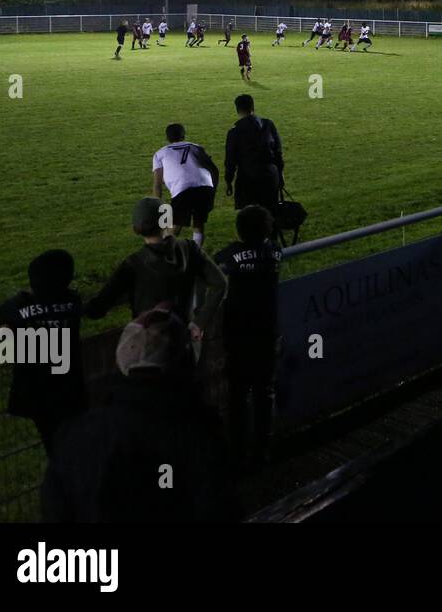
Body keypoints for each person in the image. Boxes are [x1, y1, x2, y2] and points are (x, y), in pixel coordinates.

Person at [40, 307, 240, 522]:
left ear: (122, 360)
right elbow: (220, 508)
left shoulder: (77, 434)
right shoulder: (199, 435)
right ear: (185, 361)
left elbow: (55, 511)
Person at [84, 198, 226, 342]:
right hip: (184, 344)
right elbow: (220, 283)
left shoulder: (133, 264)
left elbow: (98, 308)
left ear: (135, 228)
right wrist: (199, 322)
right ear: (168, 222)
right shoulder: (190, 248)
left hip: (147, 350)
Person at [0, 250, 86, 454]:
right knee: (73, 443)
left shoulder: (20, 307)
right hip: (70, 389)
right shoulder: (73, 302)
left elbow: (5, 310)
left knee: (54, 444)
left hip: (38, 392)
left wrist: (24, 297)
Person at [214, 205, 283, 470]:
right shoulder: (275, 251)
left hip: (239, 334)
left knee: (237, 394)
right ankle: (262, 450)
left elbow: (217, 260)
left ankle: (237, 452)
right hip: (267, 332)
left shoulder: (232, 254)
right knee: (265, 391)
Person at [152, 124, 219, 248]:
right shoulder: (197, 147)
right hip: (205, 187)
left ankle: (165, 256)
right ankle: (197, 256)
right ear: (183, 135)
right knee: (198, 223)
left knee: (174, 225)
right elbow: (214, 170)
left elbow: (157, 185)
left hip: (183, 189)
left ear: (167, 138)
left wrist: (157, 207)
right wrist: (212, 190)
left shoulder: (160, 154)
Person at [224, 93, 284, 215]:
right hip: (270, 176)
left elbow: (231, 160)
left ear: (237, 110)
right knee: (270, 214)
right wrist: (280, 175)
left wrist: (228, 181)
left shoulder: (235, 131)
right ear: (253, 107)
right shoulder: (268, 124)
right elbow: (278, 152)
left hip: (248, 178)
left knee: (250, 217)